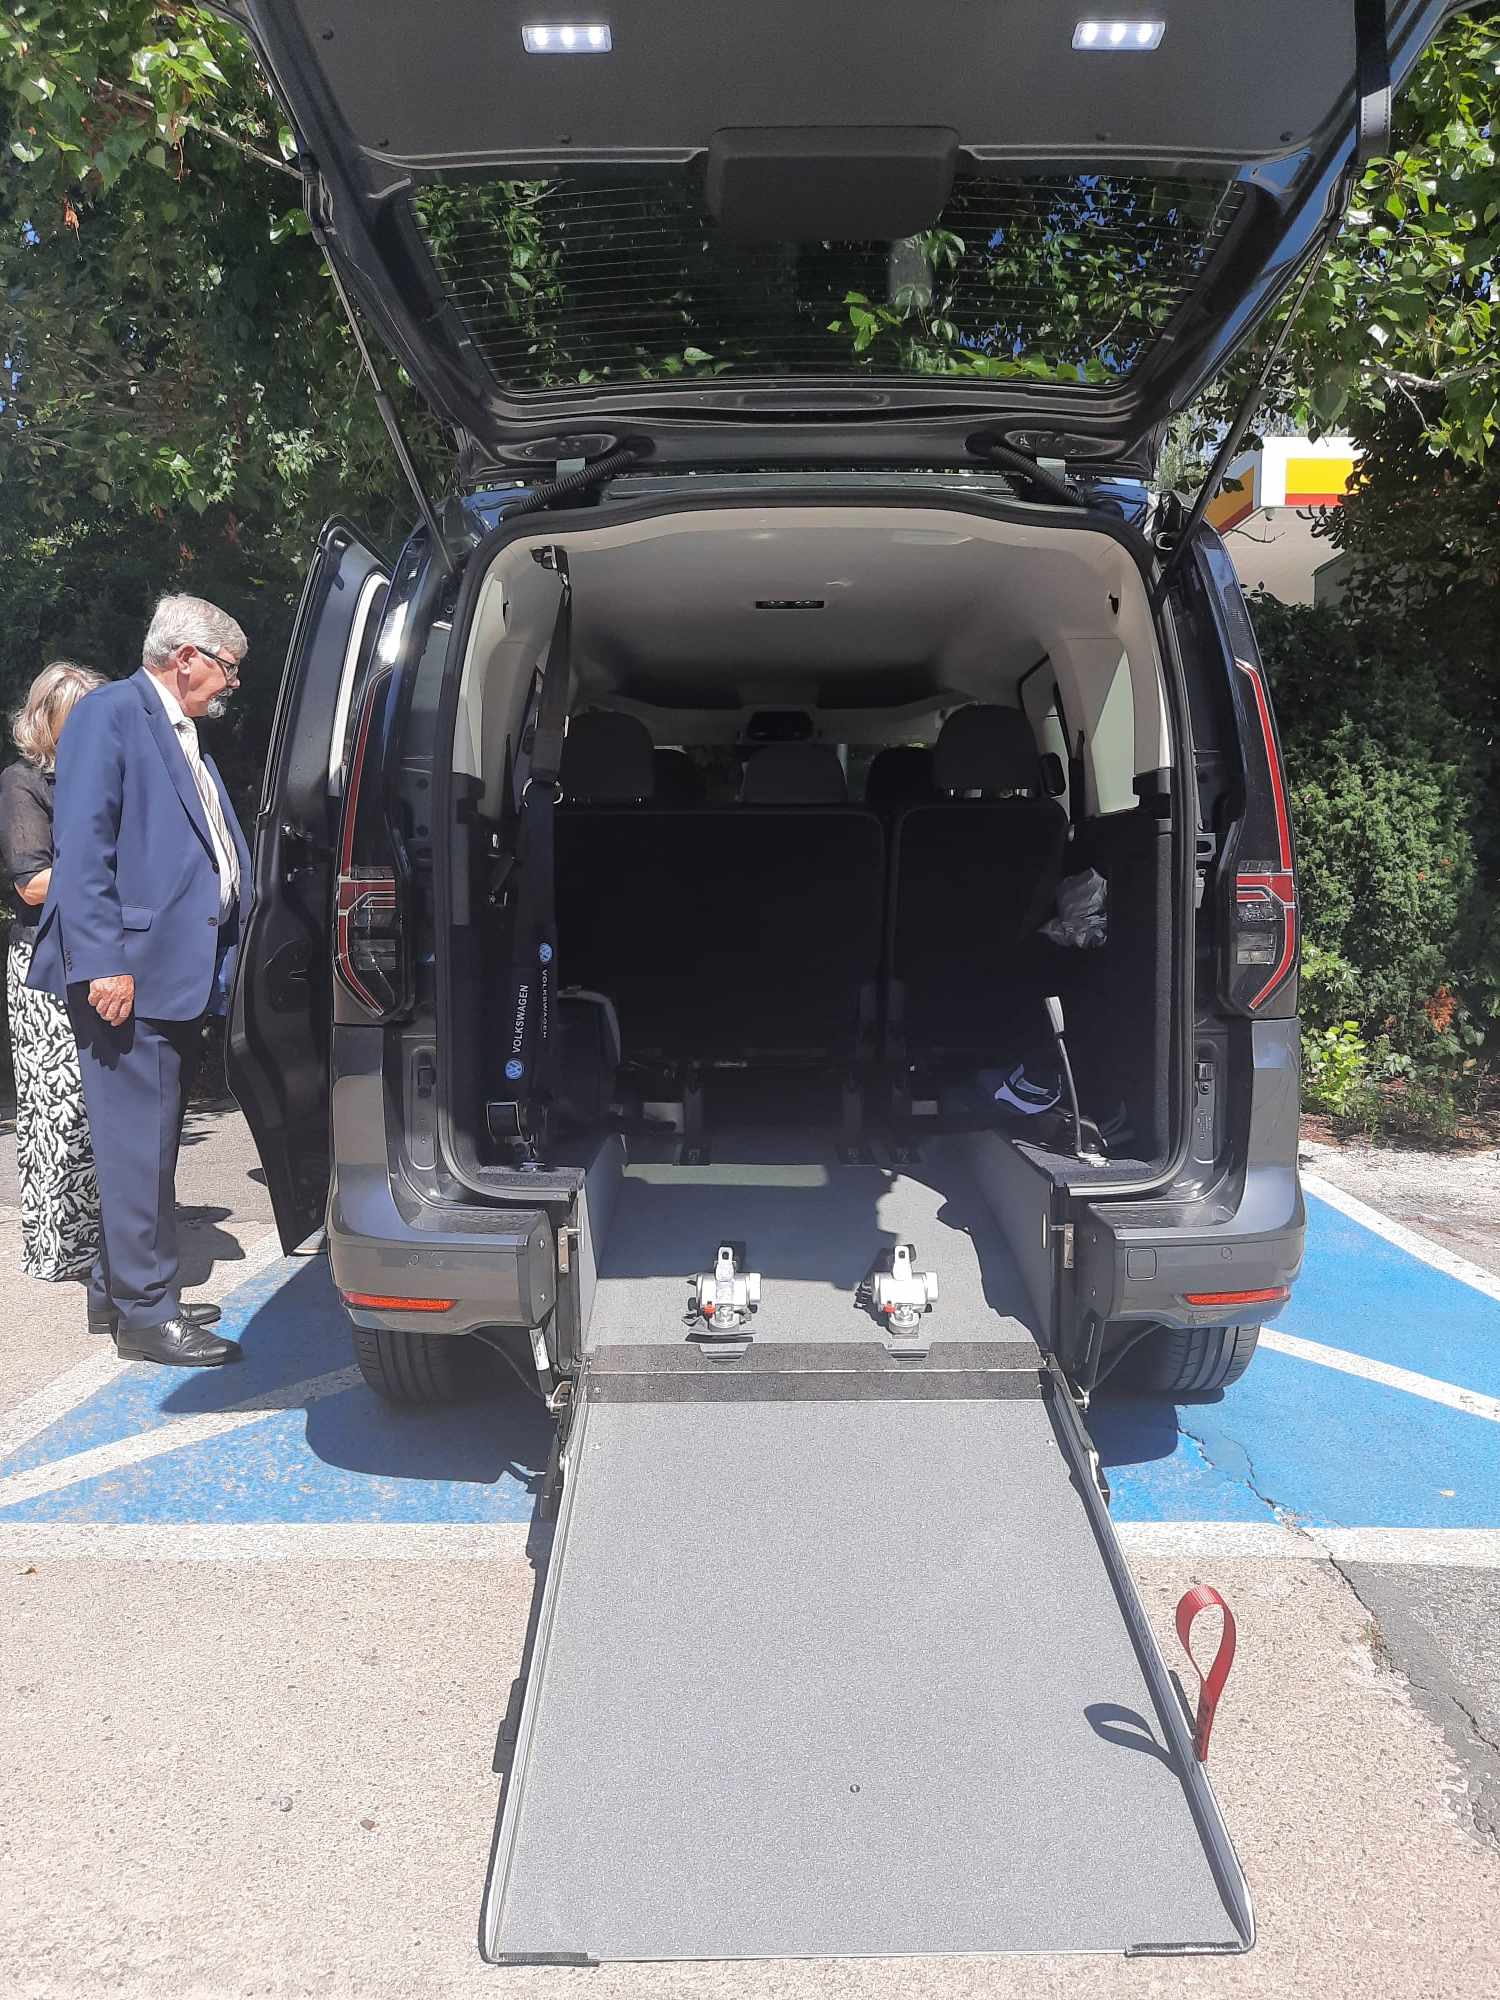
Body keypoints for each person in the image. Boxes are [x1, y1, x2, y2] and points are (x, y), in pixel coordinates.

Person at [27, 596, 253, 1368]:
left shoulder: (179, 728)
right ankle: (147, 1314)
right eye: (227, 667)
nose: (231, 683)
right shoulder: (112, 713)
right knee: (138, 1148)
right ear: (186, 657)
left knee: (144, 1144)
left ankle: (116, 1288)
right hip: (129, 972)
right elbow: (82, 846)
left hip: (172, 971)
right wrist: (102, 962)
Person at [0, 662, 108, 1284]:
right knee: (58, 1105)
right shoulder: (23, 783)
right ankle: (60, 1246)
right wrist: (112, 869)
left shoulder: (100, 778)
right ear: (48, 721)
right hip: (44, 960)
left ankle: (108, 1242)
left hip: (99, 953)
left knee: (102, 1104)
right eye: (79, 718)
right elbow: (33, 884)